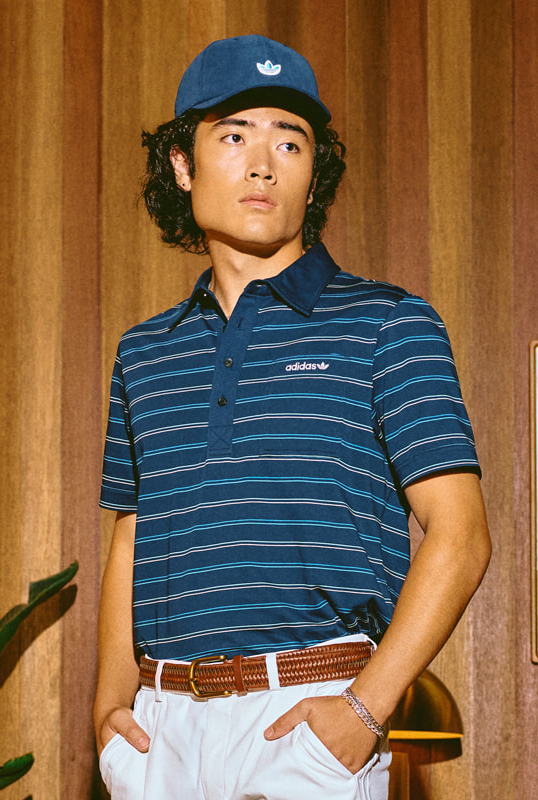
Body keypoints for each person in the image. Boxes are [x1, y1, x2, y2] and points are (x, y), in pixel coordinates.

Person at [94, 34, 491, 800]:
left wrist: (363, 712)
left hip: (307, 720)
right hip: (160, 730)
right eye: (234, 136)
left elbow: (462, 534)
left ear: (314, 175)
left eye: (290, 141)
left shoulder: (389, 325)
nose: (263, 164)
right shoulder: (144, 353)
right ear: (182, 164)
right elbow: (132, 535)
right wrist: (110, 709)